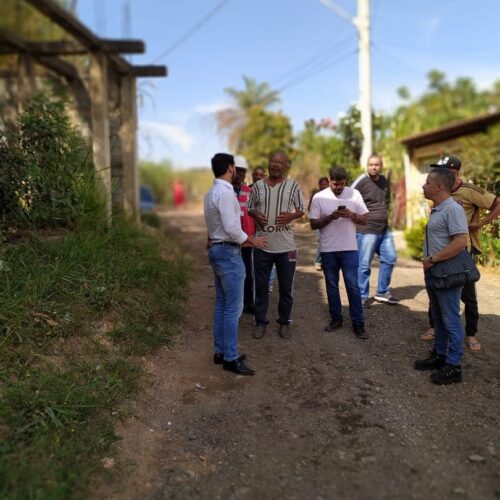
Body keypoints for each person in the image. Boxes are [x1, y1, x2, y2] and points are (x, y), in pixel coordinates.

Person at [420, 154, 500, 351]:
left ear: (453, 172)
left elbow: (497, 203)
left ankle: (471, 334)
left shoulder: (469, 190)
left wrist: (479, 223)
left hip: (462, 251)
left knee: (468, 294)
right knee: (437, 289)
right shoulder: (439, 194)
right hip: (440, 251)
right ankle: (434, 327)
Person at [204, 153, 267, 375]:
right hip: (230, 253)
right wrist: (252, 240)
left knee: (222, 305)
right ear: (231, 168)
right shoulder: (226, 192)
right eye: (235, 167)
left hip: (217, 250)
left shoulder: (211, 192)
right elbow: (232, 228)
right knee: (233, 309)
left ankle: (220, 352)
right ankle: (230, 357)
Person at [415, 167, 469, 385]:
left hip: (446, 273)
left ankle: (454, 366)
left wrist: (434, 258)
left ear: (438, 187)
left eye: (427, 183)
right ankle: (440, 355)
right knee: (437, 317)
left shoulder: (452, 210)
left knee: (450, 318)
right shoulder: (438, 209)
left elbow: (460, 241)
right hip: (435, 272)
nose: (423, 186)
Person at [248, 151, 305, 340]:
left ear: (286, 165)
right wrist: (255, 214)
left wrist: (290, 216)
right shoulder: (257, 186)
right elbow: (250, 207)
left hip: (286, 246)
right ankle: (260, 322)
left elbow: (301, 210)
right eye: (273, 161)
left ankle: (284, 322)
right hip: (263, 244)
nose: (275, 165)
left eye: (280, 162)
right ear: (268, 163)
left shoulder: (293, 186)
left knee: (286, 288)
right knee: (261, 286)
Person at [309, 166, 369, 339]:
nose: (339, 188)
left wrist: (352, 215)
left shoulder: (354, 194)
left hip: (349, 248)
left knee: (353, 286)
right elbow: (313, 224)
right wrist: (331, 217)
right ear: (329, 181)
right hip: (328, 249)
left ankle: (358, 324)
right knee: (332, 286)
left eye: (342, 184)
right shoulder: (319, 197)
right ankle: (336, 319)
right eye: (335, 184)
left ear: (346, 182)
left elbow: (364, 219)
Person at [351, 154, 399, 307]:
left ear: (381, 166)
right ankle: (362, 296)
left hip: (384, 229)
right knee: (364, 264)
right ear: (367, 165)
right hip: (366, 230)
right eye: (371, 164)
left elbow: (386, 200)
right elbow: (346, 198)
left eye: (377, 165)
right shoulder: (361, 181)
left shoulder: (384, 180)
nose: (373, 167)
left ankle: (382, 292)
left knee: (390, 258)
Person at [232, 155, 255, 314]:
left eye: (243, 171)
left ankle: (248, 303)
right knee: (233, 275)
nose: (240, 174)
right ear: (231, 170)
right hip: (231, 240)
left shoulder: (249, 192)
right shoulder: (225, 191)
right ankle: (234, 304)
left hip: (247, 239)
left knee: (248, 273)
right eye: (238, 171)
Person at [308, 177, 330, 271]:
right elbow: (309, 207)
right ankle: (318, 261)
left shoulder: (331, 194)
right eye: (322, 184)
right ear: (319, 185)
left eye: (325, 184)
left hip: (327, 221)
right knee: (321, 239)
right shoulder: (316, 194)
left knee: (326, 240)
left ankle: (325, 261)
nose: (324, 186)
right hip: (317, 221)